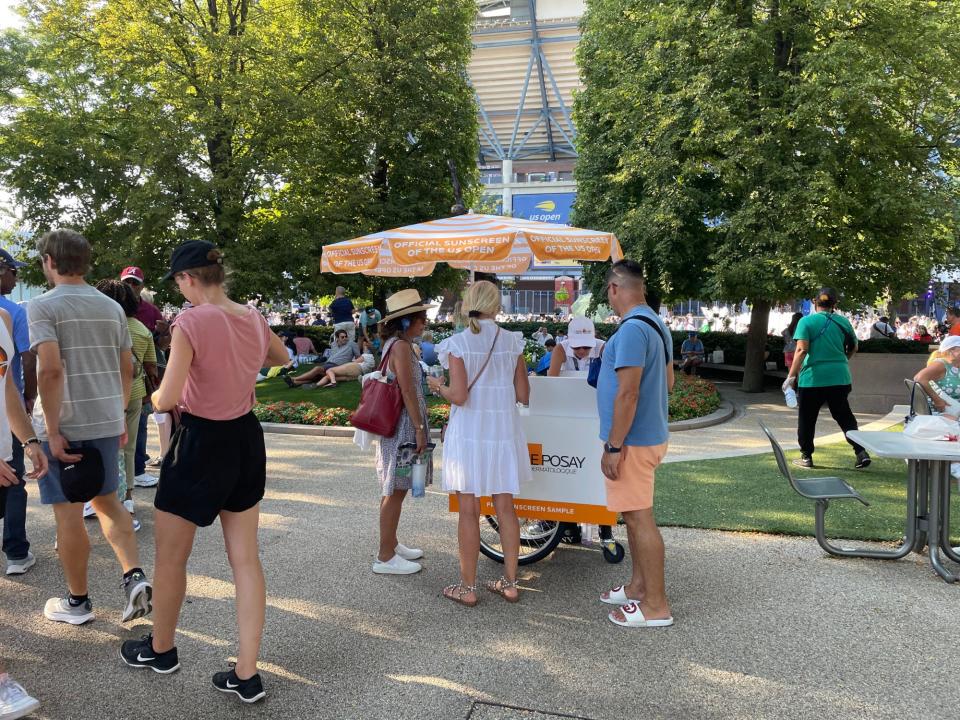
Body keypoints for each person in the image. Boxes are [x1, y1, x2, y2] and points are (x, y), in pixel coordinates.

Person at [120, 240, 287, 703]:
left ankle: (162, 649)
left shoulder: (191, 320)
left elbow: (168, 397)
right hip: (245, 439)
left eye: (179, 282)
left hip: (200, 442)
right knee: (246, 560)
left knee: (172, 557)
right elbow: (281, 358)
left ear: (187, 278)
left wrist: (153, 399)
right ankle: (247, 674)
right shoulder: (252, 317)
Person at [29, 229, 151, 625]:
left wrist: (52, 428)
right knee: (107, 501)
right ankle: (133, 575)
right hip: (104, 418)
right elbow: (127, 367)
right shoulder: (112, 308)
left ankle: (78, 602)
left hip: (64, 422)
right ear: (86, 262)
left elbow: (48, 369)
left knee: (67, 513)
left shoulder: (42, 307)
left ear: (49, 260)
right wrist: (117, 414)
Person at [429, 281, 530, 606]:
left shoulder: (457, 344)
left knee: (469, 511)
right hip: (502, 430)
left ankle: (468, 587)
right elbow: (523, 394)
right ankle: (510, 582)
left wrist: (438, 387)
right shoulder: (512, 342)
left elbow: (459, 396)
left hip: (470, 432)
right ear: (495, 306)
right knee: (506, 508)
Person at [595, 260, 675, 628]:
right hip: (649, 436)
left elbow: (627, 394)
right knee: (634, 514)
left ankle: (655, 605)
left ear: (614, 288)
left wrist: (614, 446)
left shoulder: (630, 330)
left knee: (640, 518)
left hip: (633, 441)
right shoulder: (657, 324)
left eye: (607, 294)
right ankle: (639, 587)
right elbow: (669, 383)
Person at [371, 290, 434, 575]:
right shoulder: (402, 347)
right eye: (421, 318)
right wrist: (420, 428)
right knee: (395, 489)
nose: (425, 323)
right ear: (407, 321)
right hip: (405, 427)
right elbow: (407, 390)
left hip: (399, 425)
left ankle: (391, 543)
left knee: (396, 488)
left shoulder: (395, 344)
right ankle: (385, 555)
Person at [94, 280, 158, 532]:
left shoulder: (99, 327)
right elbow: (151, 367)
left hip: (100, 394)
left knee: (97, 447)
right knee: (128, 448)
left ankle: (97, 497)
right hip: (133, 394)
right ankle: (128, 498)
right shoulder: (141, 329)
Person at [783, 287, 870, 470]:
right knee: (844, 416)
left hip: (812, 378)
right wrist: (841, 361)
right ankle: (860, 452)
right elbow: (854, 347)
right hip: (840, 376)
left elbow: (801, 350)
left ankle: (806, 456)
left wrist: (791, 376)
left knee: (807, 418)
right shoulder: (843, 322)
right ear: (835, 304)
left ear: (815, 302)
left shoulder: (806, 322)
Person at [0, 248, 37, 576]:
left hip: (8, 417)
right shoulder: (12, 314)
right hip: (4, 424)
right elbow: (26, 359)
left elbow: (8, 376)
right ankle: (16, 551)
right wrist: (31, 396)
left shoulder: (8, 316)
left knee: (11, 478)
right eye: (13, 271)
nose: (17, 277)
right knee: (12, 480)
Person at [121, 266, 164, 488]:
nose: (131, 287)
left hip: (138, 386)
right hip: (118, 387)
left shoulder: (150, 312)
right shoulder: (109, 313)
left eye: (135, 283)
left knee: (136, 431)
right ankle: (118, 489)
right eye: (127, 282)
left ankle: (135, 473)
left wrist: (164, 333)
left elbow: (159, 349)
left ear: (141, 286)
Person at [283, 330, 359, 387]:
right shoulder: (334, 344)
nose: (345, 338)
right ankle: (295, 383)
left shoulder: (352, 344)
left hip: (337, 366)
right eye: (342, 337)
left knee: (317, 369)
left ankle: (294, 378)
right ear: (337, 338)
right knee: (316, 376)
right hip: (328, 364)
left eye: (346, 336)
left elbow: (358, 357)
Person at [913, 336, 960, 414]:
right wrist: (937, 400)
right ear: (951, 350)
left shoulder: (955, 365)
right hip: (942, 414)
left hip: (954, 413)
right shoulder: (941, 364)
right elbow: (919, 378)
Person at [305, 338, 376, 389]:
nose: (363, 346)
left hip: (355, 368)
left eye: (364, 345)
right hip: (357, 375)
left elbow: (355, 362)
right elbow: (372, 370)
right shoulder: (372, 359)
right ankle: (316, 386)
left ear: (366, 347)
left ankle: (333, 383)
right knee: (329, 376)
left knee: (329, 371)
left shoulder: (366, 356)